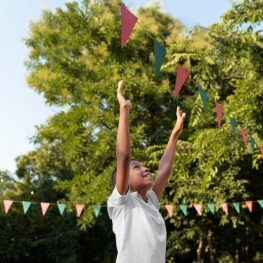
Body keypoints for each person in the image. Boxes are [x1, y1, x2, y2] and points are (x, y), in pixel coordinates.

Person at [107, 80, 186, 263]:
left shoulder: (150, 202)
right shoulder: (122, 202)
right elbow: (124, 155)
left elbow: (164, 170)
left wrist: (175, 133)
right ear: (125, 180)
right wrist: (124, 109)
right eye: (137, 167)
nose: (145, 168)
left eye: (143, 166)